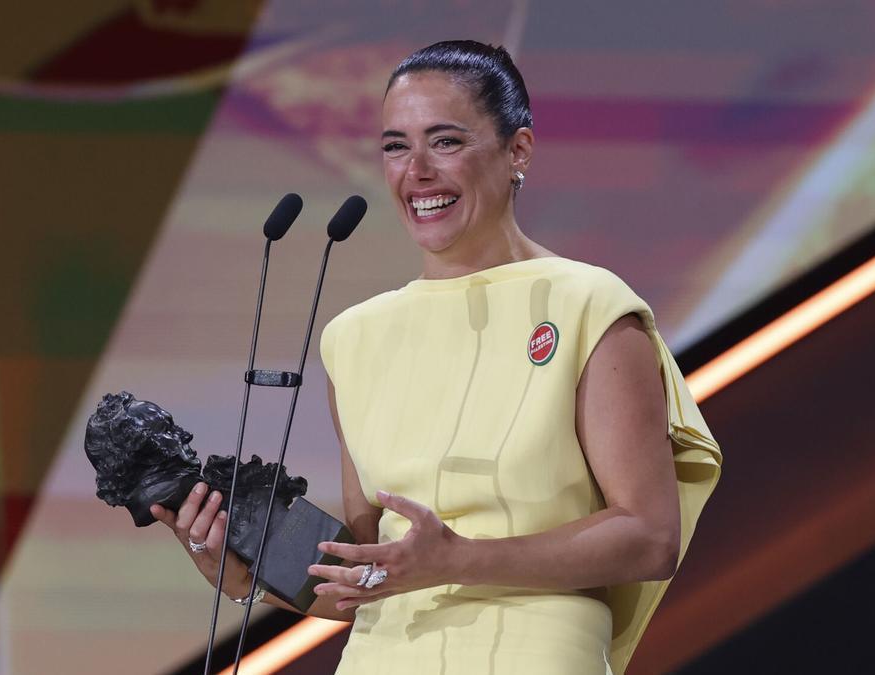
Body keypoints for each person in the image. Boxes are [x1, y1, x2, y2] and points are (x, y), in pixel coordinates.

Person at [152, 40, 722, 674]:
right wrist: (244, 575)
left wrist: (459, 559)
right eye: (396, 147)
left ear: (518, 151)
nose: (416, 170)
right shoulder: (353, 337)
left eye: (445, 142)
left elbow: (649, 537)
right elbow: (368, 575)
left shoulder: (590, 305)